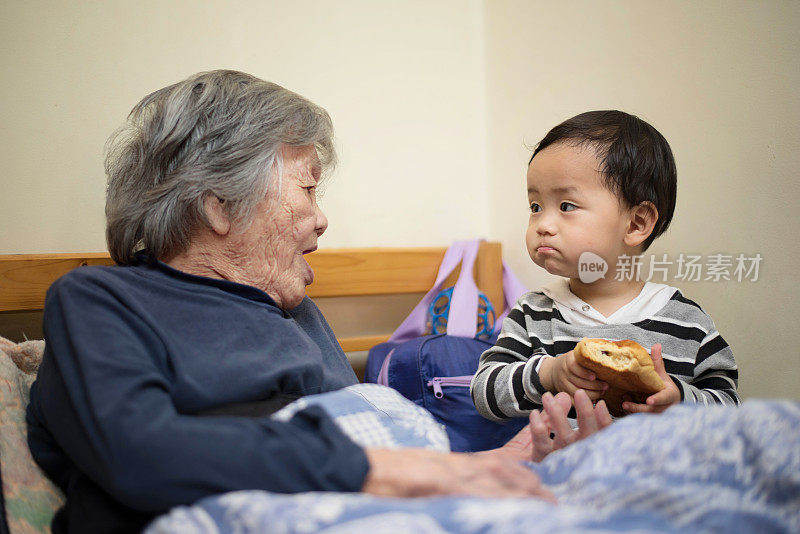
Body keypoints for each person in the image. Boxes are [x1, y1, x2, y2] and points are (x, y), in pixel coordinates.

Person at [26, 70, 609, 534]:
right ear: (219, 205)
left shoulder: (296, 313)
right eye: (307, 187)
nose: (321, 218)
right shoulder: (100, 301)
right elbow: (140, 453)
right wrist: (417, 470)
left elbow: (371, 443)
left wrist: (507, 459)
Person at [471, 110, 740, 426]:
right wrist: (549, 373)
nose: (542, 224)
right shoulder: (533, 313)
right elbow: (483, 392)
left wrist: (679, 399)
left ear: (636, 223)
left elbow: (730, 408)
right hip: (562, 471)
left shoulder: (687, 321)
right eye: (535, 207)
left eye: (567, 206)